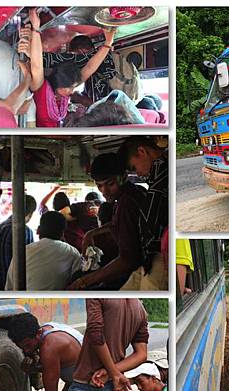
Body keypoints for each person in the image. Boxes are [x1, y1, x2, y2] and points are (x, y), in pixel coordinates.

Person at [68, 154, 154, 291]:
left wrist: (84, 281)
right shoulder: (137, 192)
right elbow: (117, 223)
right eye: (99, 186)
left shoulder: (126, 203)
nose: (104, 191)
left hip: (139, 269)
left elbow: (128, 260)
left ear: (124, 177)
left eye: (110, 184)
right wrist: (91, 233)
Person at [19, 9, 115, 127]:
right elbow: (37, 64)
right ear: (58, 83)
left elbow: (90, 67)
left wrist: (108, 43)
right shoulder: (39, 86)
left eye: (72, 87)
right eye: (68, 88)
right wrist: (36, 28)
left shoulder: (67, 89)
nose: (71, 91)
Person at [117, 136, 168, 290]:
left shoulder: (165, 170)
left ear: (141, 152)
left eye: (134, 167)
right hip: (148, 260)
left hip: (160, 257)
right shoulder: (155, 175)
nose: (138, 174)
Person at [5, 211, 82, 290]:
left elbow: (9, 287)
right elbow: (78, 285)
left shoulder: (22, 252)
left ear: (38, 230)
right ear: (63, 233)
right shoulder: (73, 253)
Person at [42, 34, 116, 107]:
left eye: (72, 53)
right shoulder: (105, 58)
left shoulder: (83, 58)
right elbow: (89, 68)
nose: (71, 91)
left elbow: (89, 67)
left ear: (80, 51)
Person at [0, 194, 37, 290]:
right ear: (31, 214)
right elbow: (28, 263)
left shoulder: (0, 227)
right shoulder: (24, 231)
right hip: (13, 289)